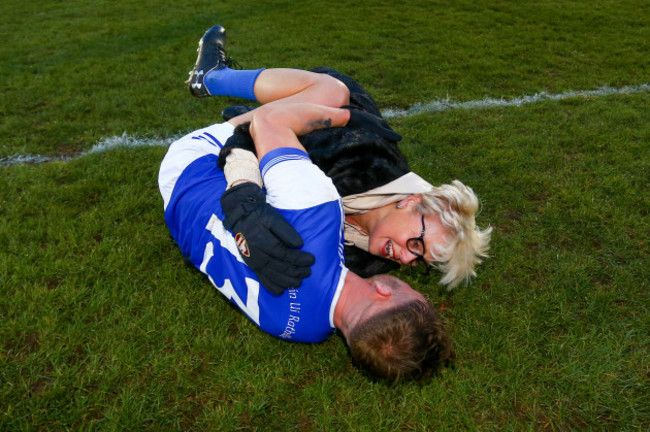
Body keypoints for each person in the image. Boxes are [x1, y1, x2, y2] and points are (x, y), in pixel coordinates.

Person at [159, 25, 453, 382]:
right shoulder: (308, 331)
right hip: (181, 214)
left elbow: (267, 121)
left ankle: (214, 78)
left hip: (194, 165)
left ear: (383, 290)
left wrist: (348, 117)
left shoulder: (317, 217)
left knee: (332, 91)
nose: (406, 263)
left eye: (412, 284)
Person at [187, 26, 492, 292]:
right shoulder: (361, 156)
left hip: (284, 132)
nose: (408, 259)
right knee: (331, 94)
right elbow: (250, 136)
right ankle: (215, 78)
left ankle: (249, 116)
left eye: (422, 261)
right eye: (416, 243)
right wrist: (244, 192)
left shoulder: (373, 262)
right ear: (411, 202)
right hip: (315, 105)